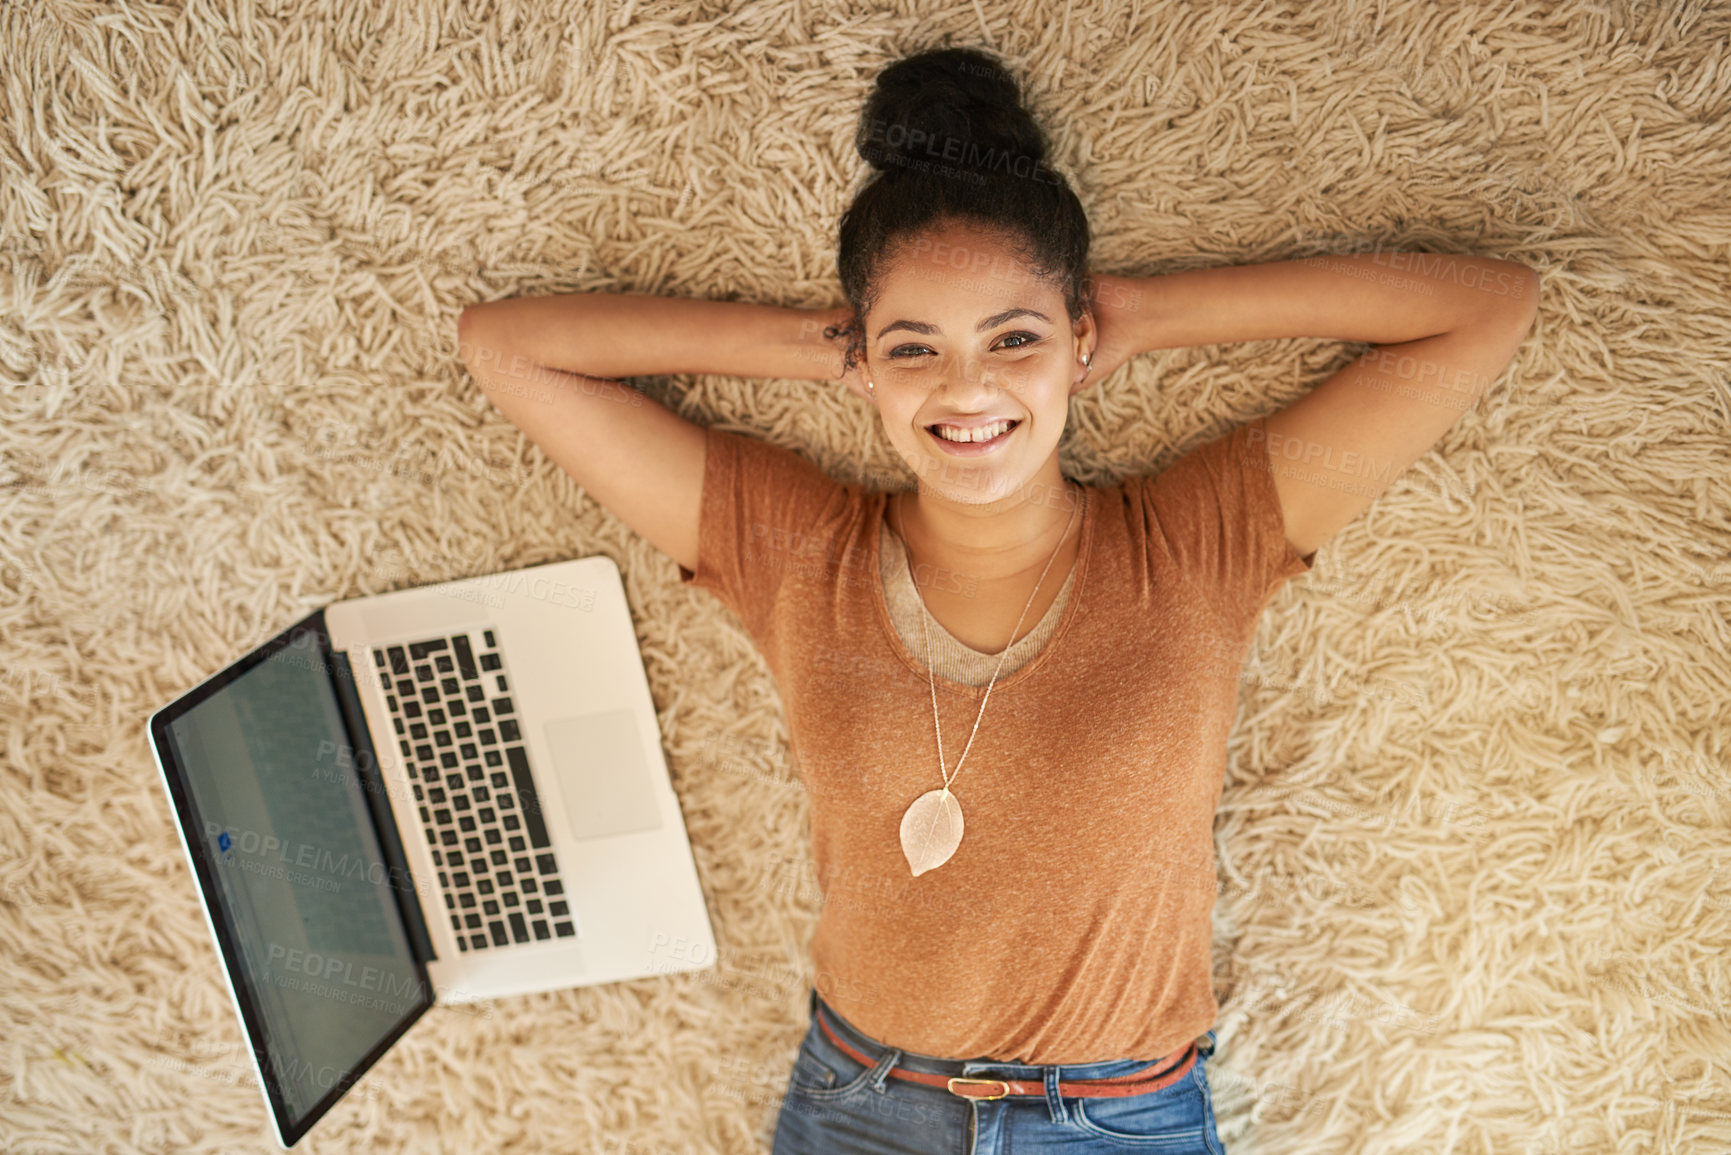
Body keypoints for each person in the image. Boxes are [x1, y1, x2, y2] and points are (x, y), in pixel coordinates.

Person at [457, 44, 1537, 1155]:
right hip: (858, 1104)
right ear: (867, 361)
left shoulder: (1197, 542)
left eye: (1012, 340)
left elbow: (1484, 311)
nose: (966, 390)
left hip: (1117, 1122)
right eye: (916, 347)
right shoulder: (795, 550)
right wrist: (828, 345)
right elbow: (511, 351)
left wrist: (1146, 317)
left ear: (1076, 343)